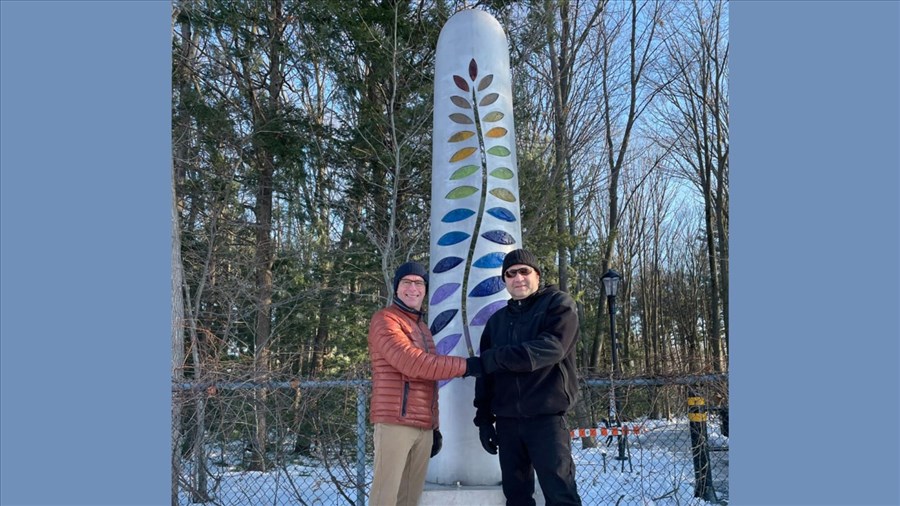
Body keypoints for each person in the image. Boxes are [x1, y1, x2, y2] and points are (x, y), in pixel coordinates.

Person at [473, 249, 583, 506]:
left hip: (547, 419)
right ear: (505, 281)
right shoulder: (497, 322)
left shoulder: (558, 305)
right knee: (517, 497)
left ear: (537, 275)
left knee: (560, 494)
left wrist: (496, 358)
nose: (518, 278)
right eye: (511, 274)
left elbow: (551, 348)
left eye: (524, 271)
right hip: (508, 423)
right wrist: (485, 420)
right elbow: (485, 374)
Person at [368, 261, 483, 506]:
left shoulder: (421, 327)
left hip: (422, 427)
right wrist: (467, 366)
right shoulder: (385, 320)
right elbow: (414, 364)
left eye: (419, 283)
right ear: (396, 288)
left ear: (425, 289)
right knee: (384, 498)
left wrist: (433, 425)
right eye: (406, 282)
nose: (413, 288)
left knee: (409, 499)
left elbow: (429, 383)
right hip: (394, 423)